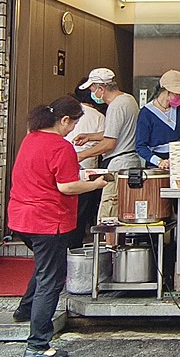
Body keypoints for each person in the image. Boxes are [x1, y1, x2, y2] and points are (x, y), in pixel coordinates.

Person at [7, 96, 108, 357]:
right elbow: (67, 186)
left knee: (44, 267)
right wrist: (96, 185)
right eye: (74, 123)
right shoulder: (60, 147)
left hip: (20, 218)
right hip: (47, 220)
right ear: (65, 120)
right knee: (51, 279)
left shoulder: (30, 139)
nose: (74, 128)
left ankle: (25, 310)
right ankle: (38, 344)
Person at [73, 68, 139, 220]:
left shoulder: (116, 106)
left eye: (92, 89)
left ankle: (110, 245)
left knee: (108, 216)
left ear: (101, 88)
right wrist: (90, 137)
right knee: (120, 211)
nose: (92, 94)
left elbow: (110, 143)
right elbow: (115, 132)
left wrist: (82, 155)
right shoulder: (128, 99)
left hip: (118, 165)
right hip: (128, 163)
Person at [66, 80, 107, 241]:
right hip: (87, 166)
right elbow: (107, 142)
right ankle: (78, 240)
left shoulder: (68, 113)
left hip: (66, 163)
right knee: (83, 207)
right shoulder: (99, 116)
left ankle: (69, 239)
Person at [136, 70, 180, 168]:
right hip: (156, 163)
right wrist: (159, 162)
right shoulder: (146, 113)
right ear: (167, 91)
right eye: (178, 94)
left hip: (177, 158)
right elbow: (140, 146)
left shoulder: (178, 107)